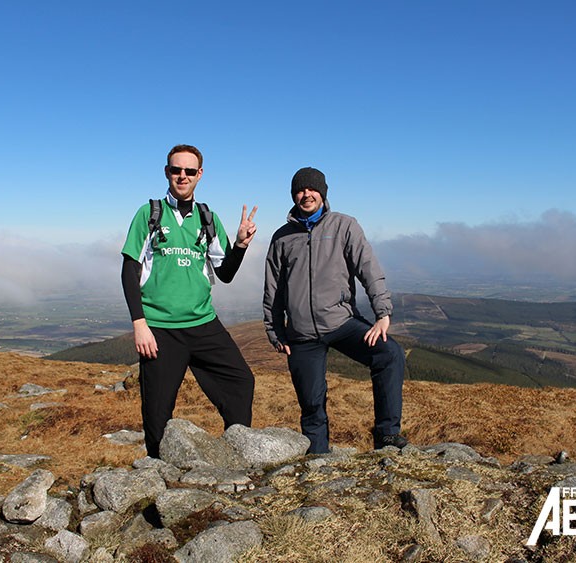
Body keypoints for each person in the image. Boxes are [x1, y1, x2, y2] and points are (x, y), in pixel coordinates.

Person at [121, 144, 258, 458]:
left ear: (200, 175)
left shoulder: (207, 217)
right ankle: (159, 470)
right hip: (159, 328)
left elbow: (225, 273)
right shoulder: (150, 213)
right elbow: (130, 269)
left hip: (203, 323)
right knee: (157, 409)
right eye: (176, 170)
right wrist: (139, 324)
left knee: (241, 382)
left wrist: (240, 246)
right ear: (167, 172)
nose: (182, 176)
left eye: (189, 171)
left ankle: (236, 455)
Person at [263, 166, 406, 454]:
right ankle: (318, 458)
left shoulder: (344, 226)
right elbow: (273, 289)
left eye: (312, 188)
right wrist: (275, 330)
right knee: (311, 402)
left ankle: (387, 434)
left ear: (323, 192)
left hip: (342, 322)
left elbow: (369, 269)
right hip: (301, 333)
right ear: (293, 196)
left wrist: (382, 313)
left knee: (390, 354)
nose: (306, 194)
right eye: (300, 190)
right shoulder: (282, 237)